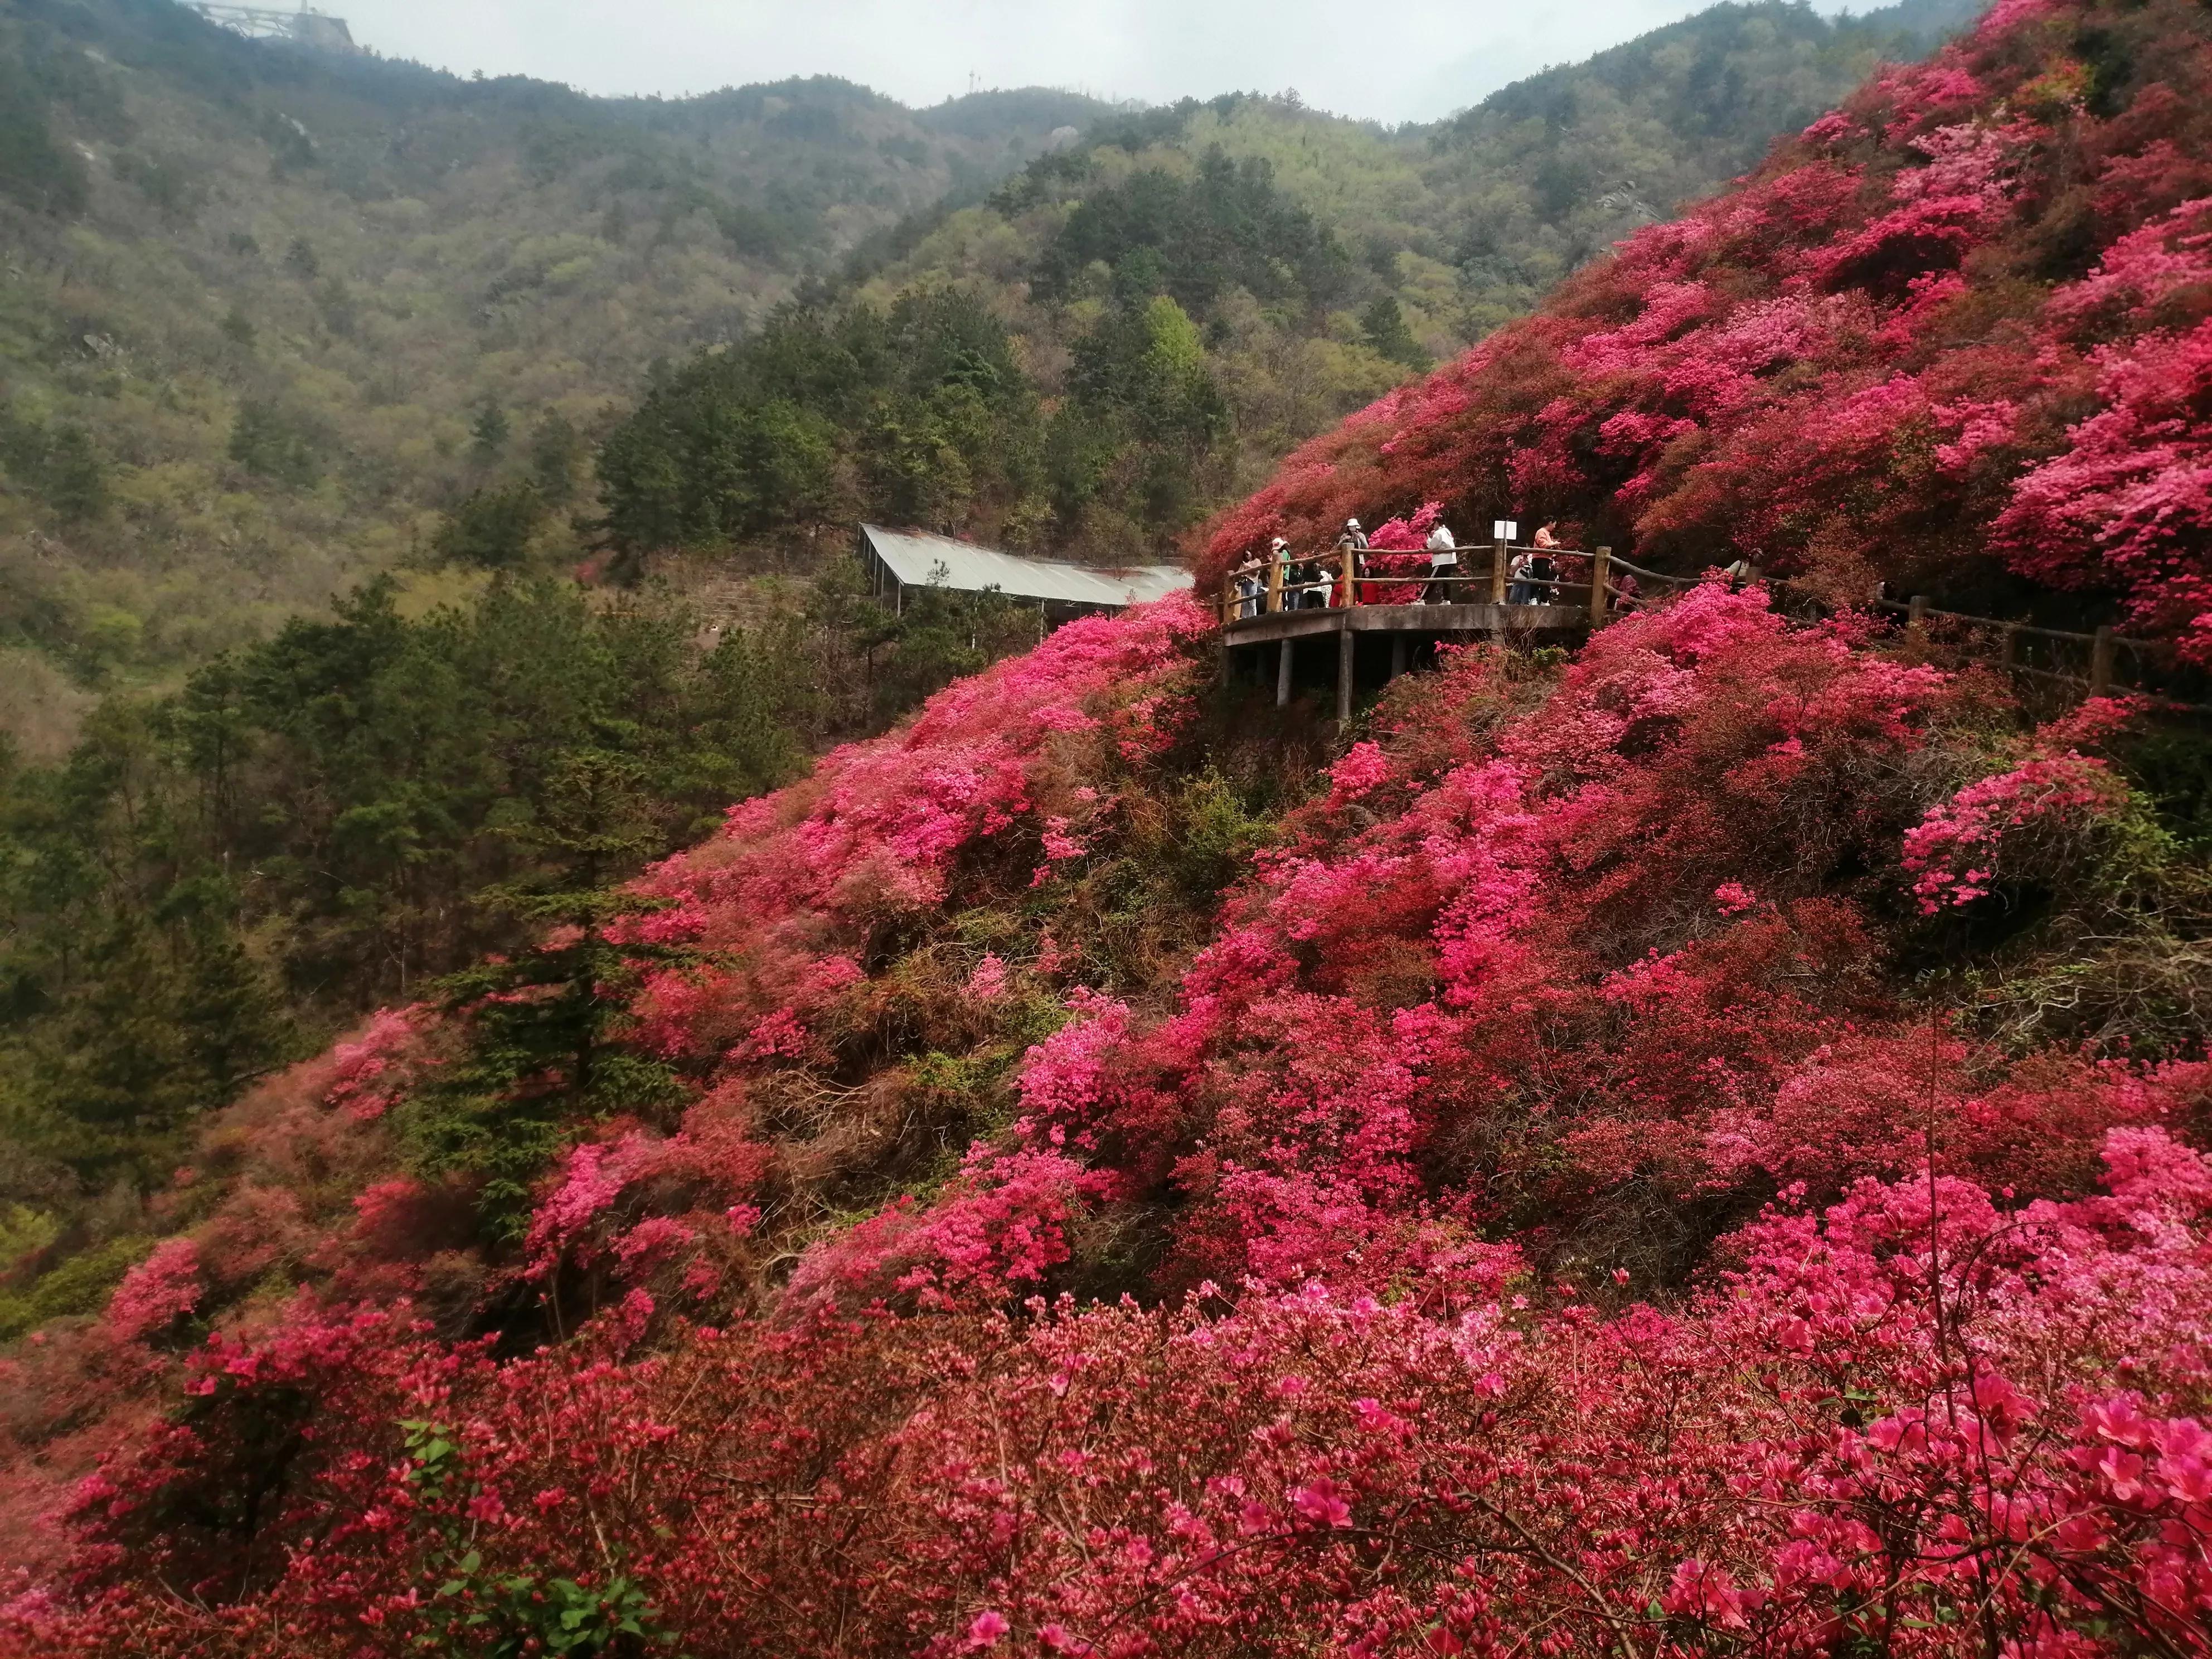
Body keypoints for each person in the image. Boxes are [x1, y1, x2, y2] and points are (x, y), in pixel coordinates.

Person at [1424, 520, 1458, 604]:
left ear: (1437, 523)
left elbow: (1433, 546)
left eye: (1434, 524)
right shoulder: (1447, 532)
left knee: (1432, 580)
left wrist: (1428, 539)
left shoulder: (1439, 533)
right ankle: (1447, 599)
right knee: (1446, 580)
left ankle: (1423, 599)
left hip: (1442, 560)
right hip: (1450, 559)